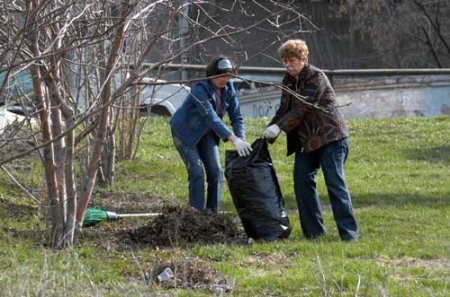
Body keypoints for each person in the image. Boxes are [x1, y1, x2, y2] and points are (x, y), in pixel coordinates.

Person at [262, 39, 359, 241]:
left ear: (303, 59)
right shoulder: (288, 80)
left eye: (293, 61)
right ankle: (313, 233)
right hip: (307, 142)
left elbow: (301, 108)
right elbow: (284, 109)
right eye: (285, 62)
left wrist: (279, 127)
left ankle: (349, 234)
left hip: (331, 137)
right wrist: (270, 129)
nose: (289, 66)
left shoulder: (317, 77)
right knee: (301, 181)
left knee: (335, 183)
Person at [170, 56, 252, 213]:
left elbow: (236, 115)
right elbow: (210, 117)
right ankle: (196, 215)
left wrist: (241, 139)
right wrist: (233, 139)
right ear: (212, 74)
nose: (225, 79)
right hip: (185, 133)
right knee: (197, 172)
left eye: (228, 75)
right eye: (221, 75)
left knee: (216, 171)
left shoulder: (229, 89)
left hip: (207, 133)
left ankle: (213, 214)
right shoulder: (199, 89)